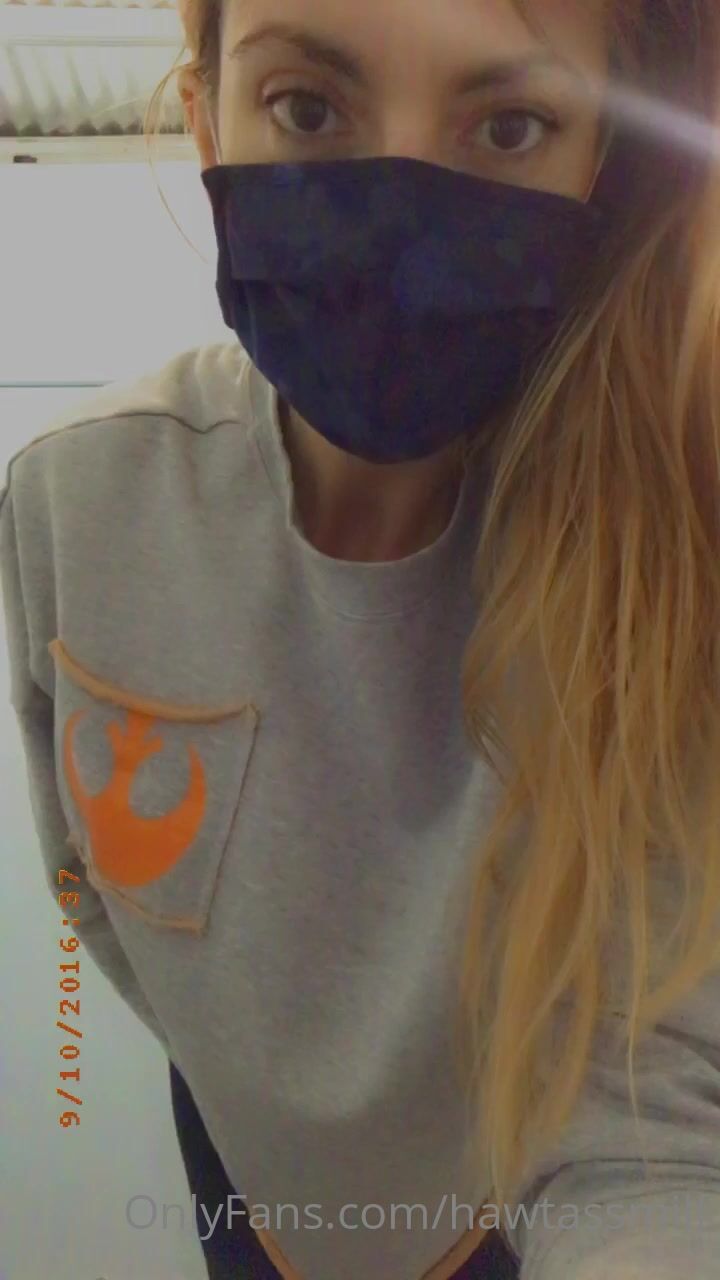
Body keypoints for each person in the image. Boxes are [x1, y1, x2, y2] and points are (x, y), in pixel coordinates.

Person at [2, 0, 720, 1277]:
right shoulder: (74, 498)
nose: (399, 214)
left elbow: (655, 1131)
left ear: (598, 166)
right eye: (308, 107)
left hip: (521, 1217)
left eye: (510, 125)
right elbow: (99, 897)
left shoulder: (666, 555)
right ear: (205, 120)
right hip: (250, 1189)